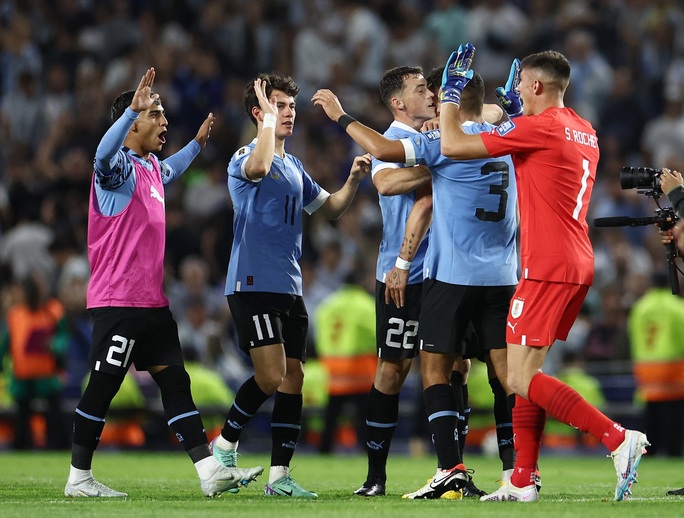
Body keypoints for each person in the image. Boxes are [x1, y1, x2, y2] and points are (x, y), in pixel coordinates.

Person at [437, 43, 649, 502]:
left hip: (546, 266)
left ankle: (617, 438)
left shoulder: (539, 128)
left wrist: (450, 94)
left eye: (519, 86)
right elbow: (534, 159)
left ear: (535, 85)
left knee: (517, 378)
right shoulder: (583, 129)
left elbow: (452, 144)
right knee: (527, 371)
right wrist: (515, 114)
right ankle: (521, 479)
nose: (514, 92)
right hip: (577, 261)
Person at [312, 69, 516, 500]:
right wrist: (449, 162)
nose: (431, 95)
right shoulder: (397, 136)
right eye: (421, 90)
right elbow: (385, 182)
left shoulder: (445, 131)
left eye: (431, 89)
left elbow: (488, 109)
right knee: (393, 369)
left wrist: (454, 144)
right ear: (398, 103)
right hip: (399, 274)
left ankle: (455, 470)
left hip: (449, 274)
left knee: (456, 368)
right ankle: (374, 476)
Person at [64, 68, 263, 499]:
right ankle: (79, 477)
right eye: (155, 113)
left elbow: (170, 169)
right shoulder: (114, 172)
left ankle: (209, 471)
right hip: (118, 303)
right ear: (132, 122)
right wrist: (129, 112)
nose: (164, 121)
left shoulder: (150, 169)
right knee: (103, 387)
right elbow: (100, 156)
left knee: (175, 383)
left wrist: (197, 145)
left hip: (151, 304)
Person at [210, 73, 370, 499]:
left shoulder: (295, 167)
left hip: (289, 287)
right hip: (251, 284)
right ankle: (224, 445)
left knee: (293, 378)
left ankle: (279, 478)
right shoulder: (244, 157)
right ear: (259, 113)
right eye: (279, 105)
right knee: (271, 374)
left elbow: (331, 208)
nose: (289, 112)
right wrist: (265, 123)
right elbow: (260, 166)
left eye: (291, 106)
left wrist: (353, 179)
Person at [1, 273, 69, 450]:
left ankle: (58, 446)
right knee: (23, 415)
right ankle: (22, 447)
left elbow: (63, 338)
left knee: (54, 413)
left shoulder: (52, 310)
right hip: (22, 375)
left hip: (46, 374)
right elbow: (6, 344)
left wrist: (53, 345)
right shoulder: (15, 315)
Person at [627, 271, 684, 457]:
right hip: (672, 364)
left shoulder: (640, 307)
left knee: (651, 411)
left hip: (646, 365)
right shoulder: (677, 306)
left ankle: (650, 450)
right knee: (674, 411)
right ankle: (673, 450)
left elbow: (633, 334)